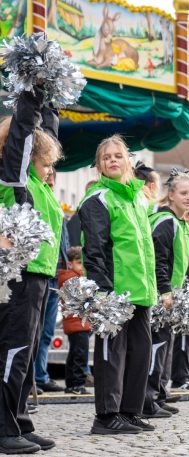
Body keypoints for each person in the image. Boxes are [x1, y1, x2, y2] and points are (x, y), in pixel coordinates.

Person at [79, 134, 158, 434]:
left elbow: (144, 247)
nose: (112, 160)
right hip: (116, 293)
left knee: (140, 352)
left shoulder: (138, 198)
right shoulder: (97, 198)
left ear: (128, 161)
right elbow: (95, 249)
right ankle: (106, 415)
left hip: (142, 290)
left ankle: (129, 411)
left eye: (117, 155)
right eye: (106, 157)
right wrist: (104, 293)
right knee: (111, 354)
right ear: (99, 166)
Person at [0, 87, 63, 454]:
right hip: (18, 276)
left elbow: (45, 133)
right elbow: (22, 140)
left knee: (26, 351)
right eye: (46, 158)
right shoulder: (14, 181)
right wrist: (29, 100)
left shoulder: (41, 185)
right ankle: (4, 426)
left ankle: (20, 420)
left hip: (39, 276)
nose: (51, 165)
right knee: (14, 351)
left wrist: (48, 103)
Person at [145, 170, 189, 418]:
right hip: (161, 296)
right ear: (171, 195)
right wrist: (164, 291)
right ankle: (148, 399)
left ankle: (159, 394)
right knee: (157, 347)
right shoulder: (166, 222)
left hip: (172, 296)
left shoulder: (180, 223)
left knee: (166, 347)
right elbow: (159, 261)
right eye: (184, 193)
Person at [34, 171, 69, 394]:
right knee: (33, 330)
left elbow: (62, 242)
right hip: (41, 274)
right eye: (46, 177)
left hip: (56, 276)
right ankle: (33, 378)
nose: (50, 182)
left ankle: (40, 375)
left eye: (52, 179)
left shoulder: (56, 207)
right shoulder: (37, 200)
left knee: (46, 331)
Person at [59, 247, 91, 395]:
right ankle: (78, 384)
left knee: (74, 354)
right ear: (69, 264)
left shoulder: (70, 277)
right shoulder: (72, 279)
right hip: (77, 323)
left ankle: (71, 384)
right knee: (80, 355)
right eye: (79, 263)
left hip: (76, 323)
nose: (82, 267)